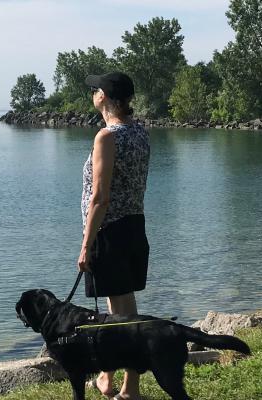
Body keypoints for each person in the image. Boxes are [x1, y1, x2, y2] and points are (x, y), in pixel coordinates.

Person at [77, 71, 150, 400]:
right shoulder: (139, 132)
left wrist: (86, 244)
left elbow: (100, 197)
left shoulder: (107, 137)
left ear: (104, 97)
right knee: (121, 310)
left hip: (111, 230)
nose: (93, 92)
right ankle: (109, 378)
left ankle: (130, 388)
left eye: (96, 89)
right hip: (134, 225)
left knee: (122, 315)